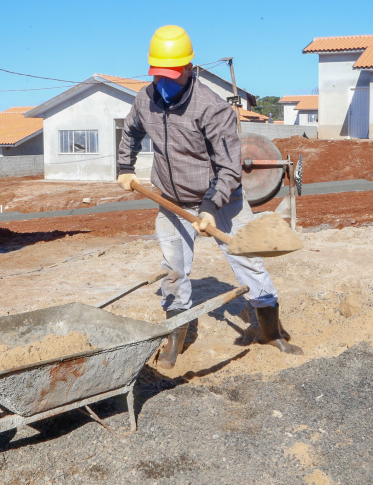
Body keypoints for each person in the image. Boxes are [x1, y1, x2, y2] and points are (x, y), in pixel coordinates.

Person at [116, 25, 302, 369]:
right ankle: (176, 336)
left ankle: (271, 331)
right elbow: (130, 131)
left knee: (250, 264)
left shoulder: (211, 108)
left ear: (189, 68)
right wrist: (124, 167)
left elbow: (229, 168)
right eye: (159, 76)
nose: (164, 84)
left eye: (171, 76)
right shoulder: (146, 99)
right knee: (173, 270)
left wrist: (210, 208)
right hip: (172, 200)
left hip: (223, 201)